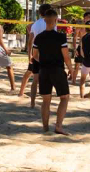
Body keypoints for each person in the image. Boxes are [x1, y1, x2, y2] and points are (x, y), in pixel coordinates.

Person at [31, 7, 73, 135]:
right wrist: (71, 68)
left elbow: (35, 56)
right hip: (57, 70)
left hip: (43, 70)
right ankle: (58, 126)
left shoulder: (39, 37)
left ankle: (45, 128)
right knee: (64, 98)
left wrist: (44, 60)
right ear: (55, 20)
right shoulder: (60, 37)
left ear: (44, 20)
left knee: (46, 100)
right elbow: (66, 56)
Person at [18, 4, 52, 108]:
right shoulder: (51, 22)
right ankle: (45, 101)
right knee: (46, 78)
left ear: (40, 12)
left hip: (36, 53)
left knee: (34, 78)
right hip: (47, 53)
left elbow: (30, 41)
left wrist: (29, 55)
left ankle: (31, 102)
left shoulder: (36, 24)